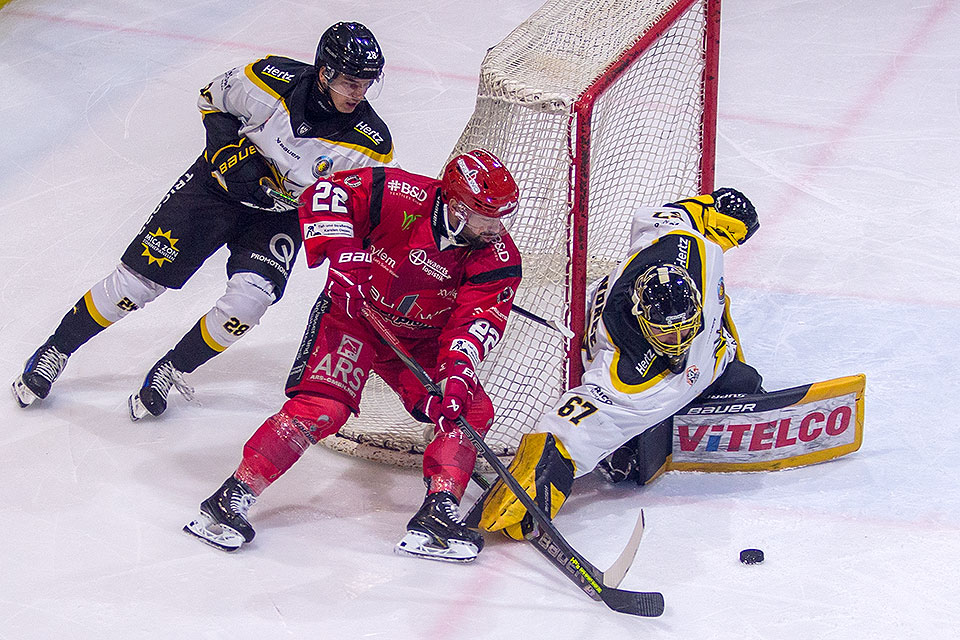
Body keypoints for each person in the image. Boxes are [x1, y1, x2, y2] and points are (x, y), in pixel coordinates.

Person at [12, 22, 397, 421]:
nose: (359, 93)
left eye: (367, 83)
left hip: (279, 218)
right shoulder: (268, 78)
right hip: (213, 190)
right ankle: (56, 350)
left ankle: (172, 369)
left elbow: (365, 207)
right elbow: (212, 99)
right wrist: (229, 155)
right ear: (324, 72)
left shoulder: (372, 143)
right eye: (351, 81)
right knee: (136, 283)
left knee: (250, 302)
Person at [183, 149, 522, 562]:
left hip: (419, 341)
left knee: (465, 409)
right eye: (486, 215)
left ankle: (439, 511)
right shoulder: (398, 193)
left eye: (501, 216)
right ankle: (232, 496)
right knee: (322, 408)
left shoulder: (499, 259)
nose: (496, 227)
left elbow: (474, 323)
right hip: (353, 317)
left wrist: (457, 376)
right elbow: (325, 194)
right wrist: (342, 252)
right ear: (455, 205)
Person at [475, 188, 763, 541]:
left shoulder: (682, 242)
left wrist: (717, 210)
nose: (676, 342)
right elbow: (575, 424)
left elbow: (667, 215)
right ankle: (621, 451)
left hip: (698, 350)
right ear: (643, 322)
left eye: (684, 330)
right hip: (627, 372)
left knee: (745, 378)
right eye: (666, 335)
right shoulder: (626, 371)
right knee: (639, 456)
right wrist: (543, 478)